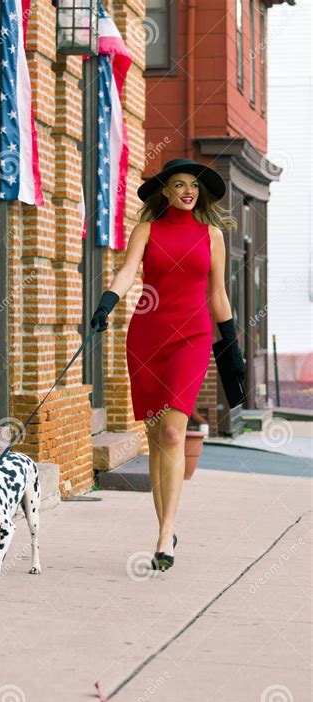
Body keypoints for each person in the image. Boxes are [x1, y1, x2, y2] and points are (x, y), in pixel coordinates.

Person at [90, 158, 245, 572]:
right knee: (157, 436)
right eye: (178, 185)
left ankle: (164, 536)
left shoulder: (211, 236)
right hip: (147, 337)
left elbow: (217, 295)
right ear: (165, 192)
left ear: (200, 193)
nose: (187, 191)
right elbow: (127, 273)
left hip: (191, 338)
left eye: (193, 186)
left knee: (175, 430)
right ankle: (165, 526)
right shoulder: (147, 230)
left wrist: (231, 347)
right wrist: (107, 303)